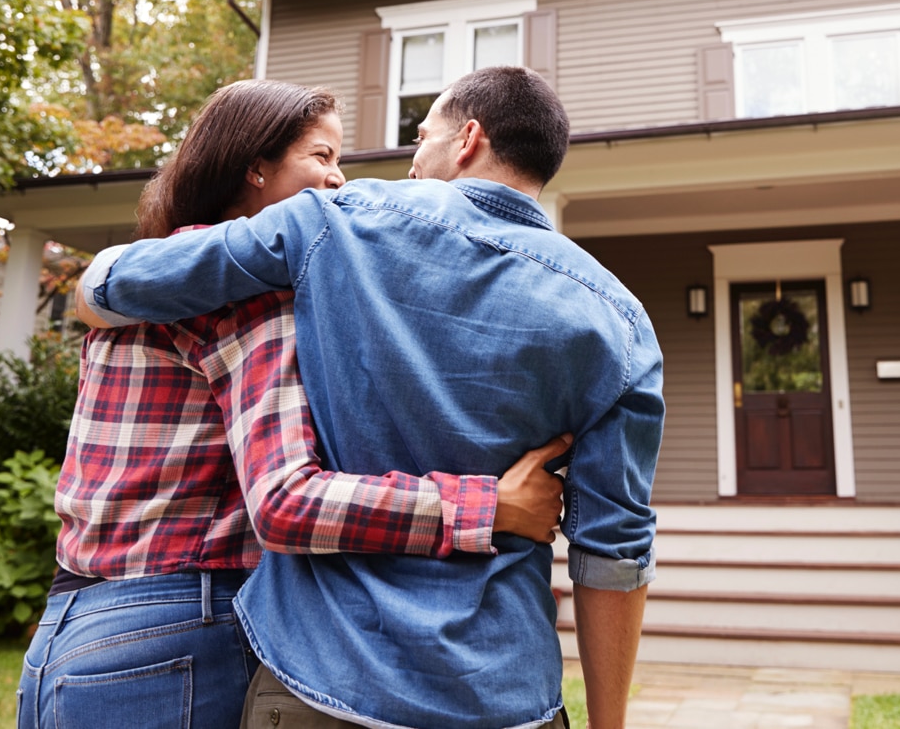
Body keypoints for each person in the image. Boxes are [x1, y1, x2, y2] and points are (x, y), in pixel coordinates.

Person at [78, 66, 665, 729]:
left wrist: (93, 288)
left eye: (422, 138)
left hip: (324, 680)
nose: (411, 165)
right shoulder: (621, 320)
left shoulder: (333, 222)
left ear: (466, 139)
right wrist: (608, 722)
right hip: (502, 691)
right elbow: (614, 549)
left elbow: (119, 282)